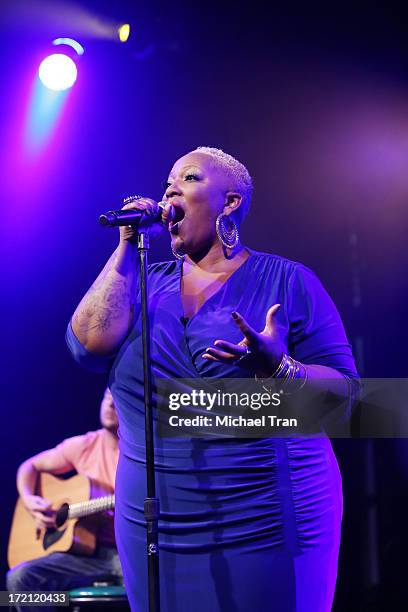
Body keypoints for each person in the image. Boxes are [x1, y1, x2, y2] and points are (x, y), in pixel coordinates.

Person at [66, 146, 359, 611]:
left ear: (231, 201)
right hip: (154, 520)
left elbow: (346, 399)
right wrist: (126, 242)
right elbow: (87, 346)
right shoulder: (142, 283)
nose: (170, 189)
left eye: (190, 177)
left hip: (268, 511)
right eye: (167, 182)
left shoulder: (289, 280)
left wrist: (278, 368)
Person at [7, 388, 121, 607]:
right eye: (107, 398)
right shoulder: (84, 445)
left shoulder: (140, 453)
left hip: (125, 554)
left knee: (154, 583)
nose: (110, 405)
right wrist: (30, 500)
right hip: (83, 556)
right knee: (17, 582)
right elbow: (30, 466)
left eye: (117, 400)